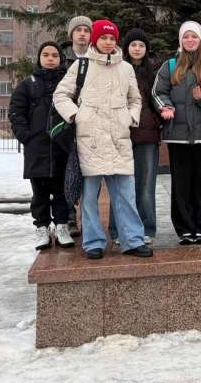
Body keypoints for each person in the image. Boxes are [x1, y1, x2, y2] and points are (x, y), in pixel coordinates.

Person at [53, 18, 152, 259]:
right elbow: (60, 95)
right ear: (96, 40)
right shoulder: (82, 66)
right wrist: (77, 116)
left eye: (111, 38)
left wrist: (130, 118)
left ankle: (132, 240)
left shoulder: (126, 68)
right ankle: (94, 242)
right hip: (91, 139)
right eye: (103, 38)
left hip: (119, 137)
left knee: (126, 195)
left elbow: (135, 99)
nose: (107, 42)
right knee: (89, 197)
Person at [152, 21, 201, 245]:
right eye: (186, 37)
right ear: (181, 40)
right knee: (181, 184)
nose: (190, 40)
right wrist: (166, 106)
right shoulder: (170, 66)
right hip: (177, 135)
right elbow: (158, 91)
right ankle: (184, 229)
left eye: (194, 37)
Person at [8, 41, 75, 250]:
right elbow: (16, 112)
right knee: (39, 193)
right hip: (37, 148)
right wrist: (25, 135)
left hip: (61, 147)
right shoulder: (28, 84)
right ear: (39, 57)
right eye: (46, 54)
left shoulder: (67, 82)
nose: (50, 58)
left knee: (62, 190)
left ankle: (62, 226)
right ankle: (42, 228)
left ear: (60, 59)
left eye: (54, 55)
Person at [107, 28, 161, 246]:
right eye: (133, 45)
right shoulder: (116, 69)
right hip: (121, 133)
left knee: (146, 185)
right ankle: (118, 229)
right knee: (120, 184)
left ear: (146, 49)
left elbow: (159, 99)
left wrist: (158, 120)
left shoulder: (154, 71)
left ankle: (146, 228)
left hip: (147, 134)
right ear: (126, 48)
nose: (137, 48)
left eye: (141, 45)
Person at [59, 15, 92, 237]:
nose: (82, 33)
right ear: (71, 34)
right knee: (67, 169)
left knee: (87, 171)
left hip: (91, 122)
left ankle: (87, 216)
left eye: (86, 30)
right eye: (78, 30)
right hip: (67, 121)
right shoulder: (60, 58)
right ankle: (69, 215)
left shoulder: (96, 57)